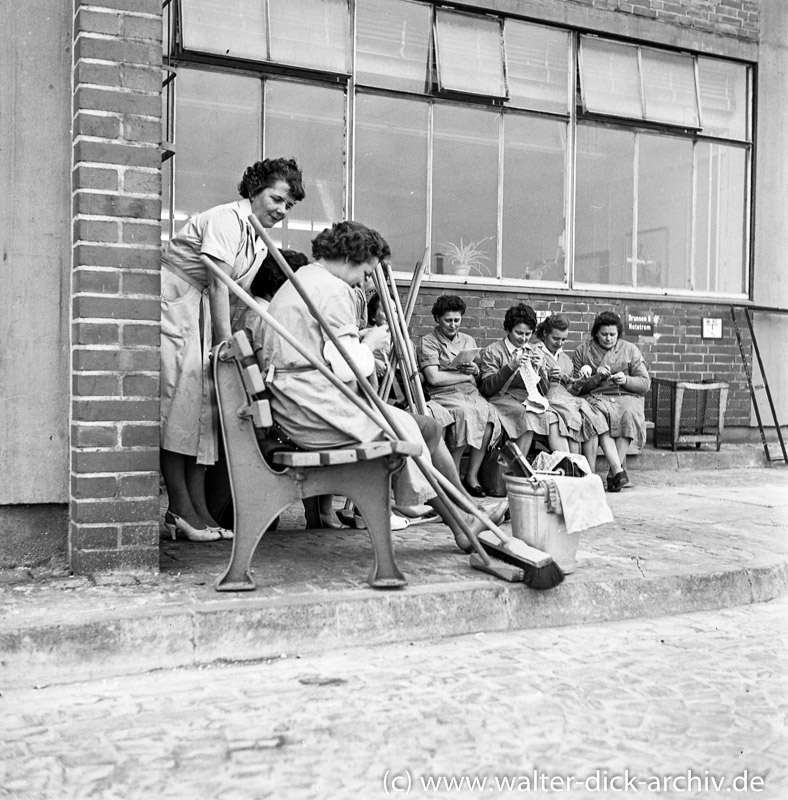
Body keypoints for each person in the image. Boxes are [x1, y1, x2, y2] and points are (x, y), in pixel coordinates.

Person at [259, 221, 476, 552]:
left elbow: (321, 350)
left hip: (300, 402)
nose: (365, 280)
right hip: (314, 413)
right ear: (349, 257)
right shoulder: (334, 290)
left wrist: (356, 341)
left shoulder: (302, 280)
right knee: (412, 431)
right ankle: (462, 520)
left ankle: (462, 514)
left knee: (427, 427)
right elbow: (348, 367)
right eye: (366, 271)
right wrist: (371, 343)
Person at [160, 157, 305, 542]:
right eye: (277, 199)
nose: (281, 210)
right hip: (178, 304)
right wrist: (226, 341)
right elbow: (220, 282)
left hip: (202, 309)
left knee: (203, 411)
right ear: (255, 189)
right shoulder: (227, 219)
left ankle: (199, 511)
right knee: (181, 405)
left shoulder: (256, 235)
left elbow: (239, 296)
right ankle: (179, 509)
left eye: (289, 206)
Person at [418, 295, 501, 497]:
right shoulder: (428, 342)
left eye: (457, 320)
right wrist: (463, 376)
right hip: (443, 395)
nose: (453, 325)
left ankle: (471, 476)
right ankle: (452, 479)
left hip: (469, 393)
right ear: (437, 318)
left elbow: (477, 375)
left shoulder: (468, 340)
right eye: (448, 320)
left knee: (488, 414)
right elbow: (433, 378)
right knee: (464, 414)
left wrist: (473, 370)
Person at [534, 314, 627, 488]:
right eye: (555, 338)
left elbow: (572, 389)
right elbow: (533, 386)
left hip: (566, 398)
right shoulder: (536, 353)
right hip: (548, 399)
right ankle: (575, 472)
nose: (559, 343)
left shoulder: (564, 358)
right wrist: (544, 374)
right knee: (575, 415)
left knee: (590, 416)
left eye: (563, 339)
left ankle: (589, 474)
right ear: (544, 333)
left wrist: (581, 382)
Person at [572, 310, 651, 491]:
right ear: (595, 334)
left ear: (618, 334)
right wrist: (595, 378)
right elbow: (575, 388)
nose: (608, 339)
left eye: (612, 335)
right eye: (604, 334)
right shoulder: (583, 351)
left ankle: (612, 473)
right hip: (595, 396)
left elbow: (645, 383)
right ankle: (617, 470)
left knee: (629, 413)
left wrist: (627, 380)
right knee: (598, 415)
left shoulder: (630, 350)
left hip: (625, 396)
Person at [479, 303, 569, 459]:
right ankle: (518, 471)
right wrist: (511, 366)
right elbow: (487, 388)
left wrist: (540, 369)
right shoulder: (493, 351)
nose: (524, 338)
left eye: (528, 334)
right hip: (502, 399)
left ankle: (567, 465)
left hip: (528, 399)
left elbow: (544, 391)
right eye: (519, 333)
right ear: (508, 329)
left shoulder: (534, 351)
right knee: (525, 416)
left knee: (553, 418)